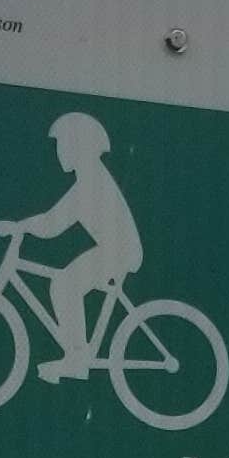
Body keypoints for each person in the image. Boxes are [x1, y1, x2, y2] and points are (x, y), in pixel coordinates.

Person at [11, 110, 143, 379]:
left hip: (118, 252)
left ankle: (76, 358)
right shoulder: (90, 178)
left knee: (64, 285)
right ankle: (77, 355)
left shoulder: (92, 183)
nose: (60, 151)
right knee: (65, 283)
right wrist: (22, 226)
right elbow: (53, 222)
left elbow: (51, 225)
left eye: (63, 144)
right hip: (116, 249)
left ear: (78, 146)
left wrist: (20, 226)